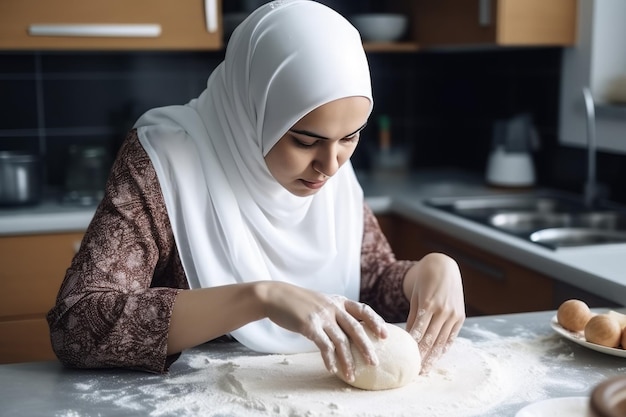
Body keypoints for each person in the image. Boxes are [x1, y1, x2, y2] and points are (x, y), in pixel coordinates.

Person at [47, 0, 465, 382]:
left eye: (351, 138)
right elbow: (77, 324)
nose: (331, 165)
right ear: (252, 111)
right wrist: (259, 297)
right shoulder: (166, 160)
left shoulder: (330, 166)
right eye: (304, 141)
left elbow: (365, 281)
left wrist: (424, 273)